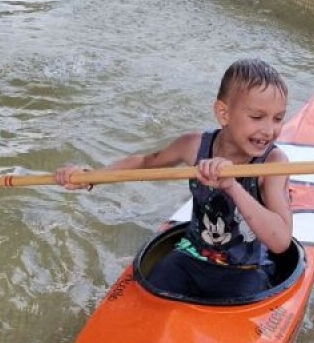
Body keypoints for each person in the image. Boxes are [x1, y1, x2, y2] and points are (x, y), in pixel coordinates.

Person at [54, 60, 293, 302]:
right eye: (257, 117)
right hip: (190, 258)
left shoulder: (273, 163)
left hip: (246, 271)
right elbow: (145, 163)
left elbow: (281, 241)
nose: (268, 130)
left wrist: (232, 186)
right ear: (224, 113)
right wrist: (90, 177)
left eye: (278, 119)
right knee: (150, 291)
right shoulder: (194, 146)